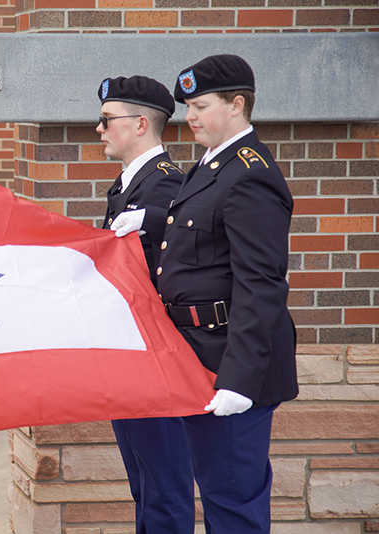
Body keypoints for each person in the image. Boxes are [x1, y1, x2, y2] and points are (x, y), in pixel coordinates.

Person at [158, 54, 297, 532]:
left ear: (237, 104)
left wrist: (238, 379)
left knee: (233, 504)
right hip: (202, 356)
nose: (190, 117)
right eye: (188, 107)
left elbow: (261, 283)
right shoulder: (211, 166)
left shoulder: (249, 173)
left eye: (200, 106)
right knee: (220, 493)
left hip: (231, 366)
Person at [96, 75, 196, 534]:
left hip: (157, 360)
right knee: (145, 485)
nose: (99, 128)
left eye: (107, 119)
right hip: (131, 355)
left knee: (165, 491)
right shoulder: (128, 185)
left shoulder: (165, 185)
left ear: (140, 124)